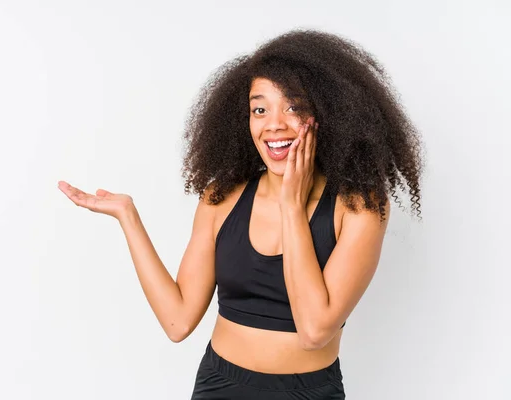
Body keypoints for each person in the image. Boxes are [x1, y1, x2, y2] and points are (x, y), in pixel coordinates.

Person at [58, 29, 423, 399]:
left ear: (326, 113)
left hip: (310, 391)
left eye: (294, 106)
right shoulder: (222, 197)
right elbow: (177, 321)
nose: (274, 124)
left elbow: (314, 331)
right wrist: (128, 216)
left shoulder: (359, 205)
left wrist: (292, 206)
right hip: (219, 385)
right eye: (259, 109)